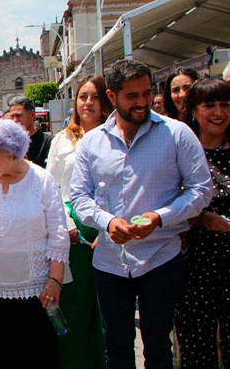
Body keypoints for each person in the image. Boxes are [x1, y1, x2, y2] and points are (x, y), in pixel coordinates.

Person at [70, 59, 213, 369]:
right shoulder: (92, 143)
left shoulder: (177, 134)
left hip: (161, 257)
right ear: (112, 95)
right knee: (117, 348)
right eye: (132, 96)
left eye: (146, 94)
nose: (142, 103)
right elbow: (79, 196)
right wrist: (107, 222)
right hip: (110, 262)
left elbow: (201, 190)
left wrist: (160, 217)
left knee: (159, 348)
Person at [0, 119, 69, 368]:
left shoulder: (41, 180)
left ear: (12, 151)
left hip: (37, 288)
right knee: (4, 354)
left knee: (39, 355)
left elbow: (59, 233)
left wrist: (55, 280)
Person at [46, 76, 112, 369]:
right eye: (83, 96)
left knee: (106, 307)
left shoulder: (115, 136)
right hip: (72, 229)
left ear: (106, 101)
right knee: (74, 304)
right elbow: (51, 187)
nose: (87, 103)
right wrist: (67, 225)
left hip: (108, 225)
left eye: (94, 97)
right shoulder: (62, 139)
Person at [175, 77, 230, 367]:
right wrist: (200, 217)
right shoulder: (181, 153)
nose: (219, 112)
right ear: (193, 111)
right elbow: (165, 201)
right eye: (210, 105)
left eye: (225, 104)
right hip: (194, 265)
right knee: (196, 347)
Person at [7, 96, 52, 167]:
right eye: (12, 117)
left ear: (32, 115)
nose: (15, 120)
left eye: (19, 116)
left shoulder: (48, 142)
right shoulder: (8, 143)